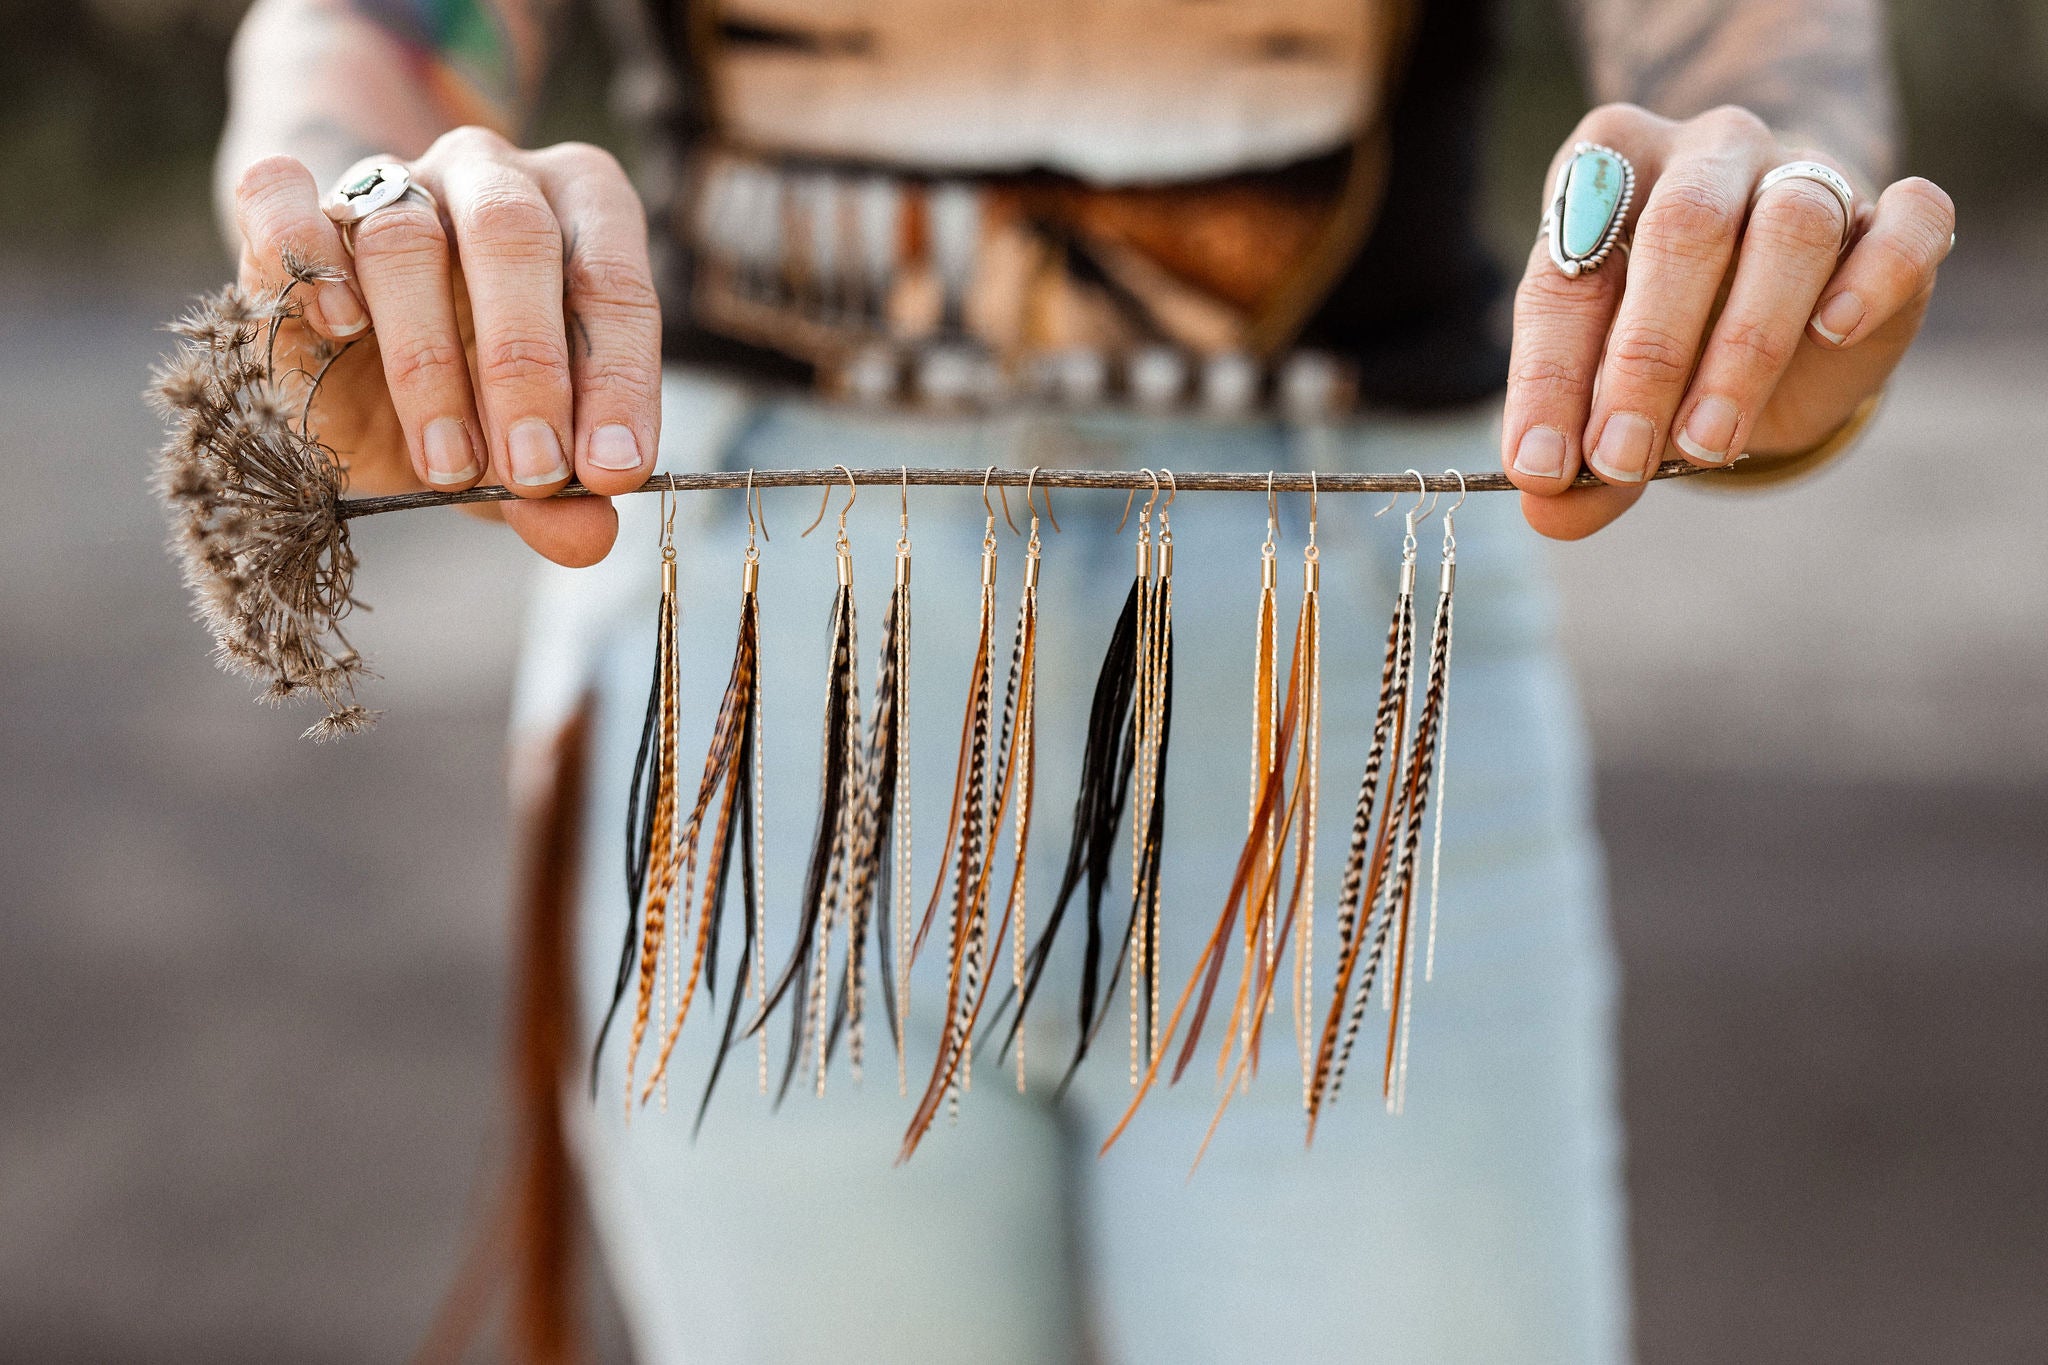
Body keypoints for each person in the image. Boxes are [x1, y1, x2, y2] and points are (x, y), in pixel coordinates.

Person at [217, 1, 1953, 1360]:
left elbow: (1762, 53)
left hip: (1348, 674)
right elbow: (365, 38)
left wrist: (1768, 233)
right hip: (748, 657)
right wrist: (359, 210)